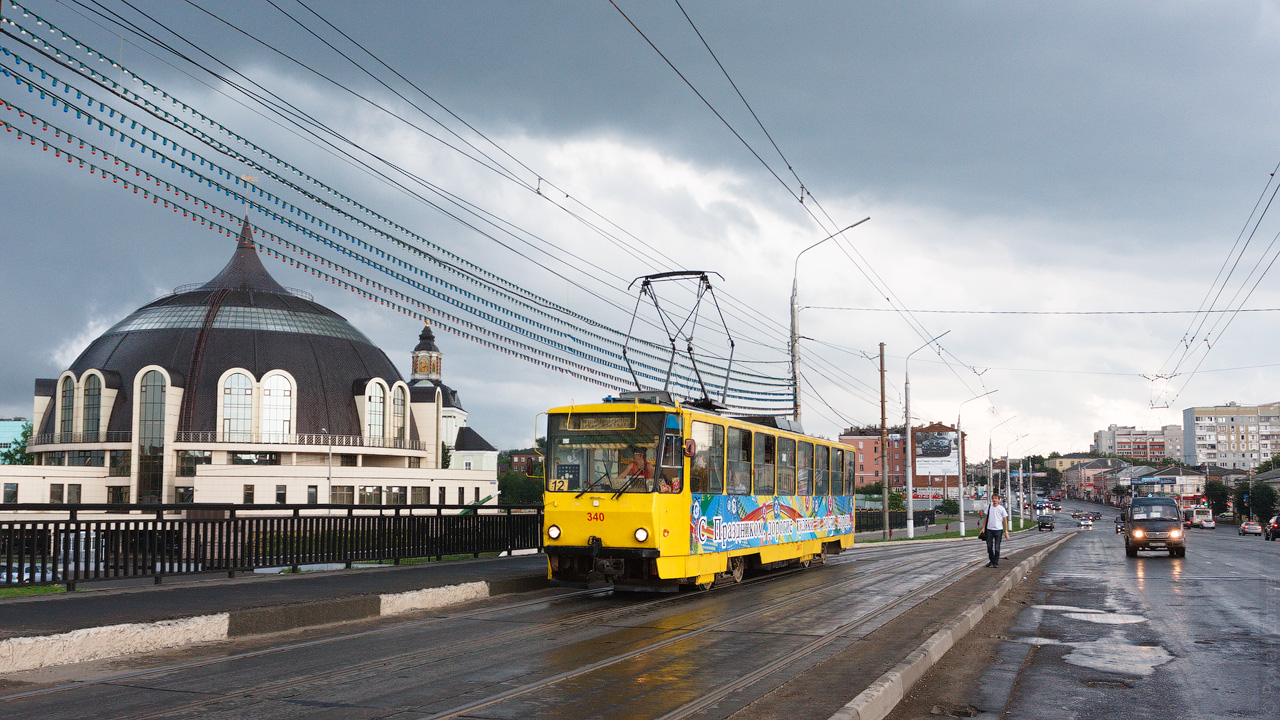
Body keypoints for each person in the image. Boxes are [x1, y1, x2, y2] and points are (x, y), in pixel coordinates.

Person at [982, 493, 1011, 568]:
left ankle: (995, 562)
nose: (994, 500)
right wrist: (983, 528)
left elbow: (1005, 521)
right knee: (989, 546)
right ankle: (991, 560)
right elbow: (986, 518)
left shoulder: (1001, 509)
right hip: (989, 530)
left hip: (998, 530)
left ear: (998, 500)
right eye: (993, 498)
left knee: (997, 547)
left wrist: (1006, 531)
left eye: (996, 498)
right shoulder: (989, 507)